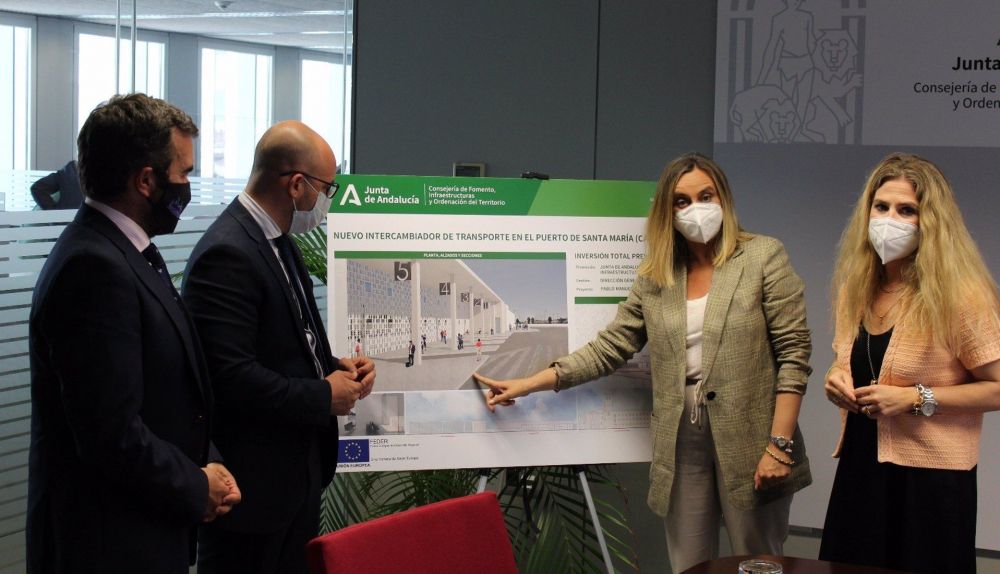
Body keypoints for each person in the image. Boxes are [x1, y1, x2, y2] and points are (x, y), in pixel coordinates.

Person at [475, 153, 812, 573]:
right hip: (681, 437)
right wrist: (529, 383)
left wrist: (779, 446)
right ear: (667, 211)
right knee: (689, 562)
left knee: (757, 560)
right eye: (682, 201)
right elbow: (610, 347)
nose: (695, 209)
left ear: (723, 198)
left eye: (705, 196)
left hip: (753, 433)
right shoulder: (656, 276)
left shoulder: (762, 256)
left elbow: (794, 353)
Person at [26, 93, 240, 574]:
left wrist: (208, 466)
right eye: (183, 173)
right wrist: (195, 484)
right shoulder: (93, 267)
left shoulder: (128, 251)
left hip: (143, 529)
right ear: (146, 180)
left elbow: (168, 392)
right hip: (107, 545)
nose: (187, 186)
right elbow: (111, 432)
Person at [183, 120, 375, 574]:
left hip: (292, 484)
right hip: (250, 495)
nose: (326, 202)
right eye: (326, 189)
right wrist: (323, 395)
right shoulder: (228, 252)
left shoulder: (278, 241)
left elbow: (287, 344)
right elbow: (229, 377)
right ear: (296, 185)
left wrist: (337, 367)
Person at [819, 153, 1000, 574]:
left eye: (906, 210)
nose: (890, 219)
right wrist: (834, 377)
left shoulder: (962, 296)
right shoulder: (856, 288)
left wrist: (915, 399)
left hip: (930, 482)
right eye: (881, 207)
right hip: (861, 467)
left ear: (931, 222)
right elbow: (851, 359)